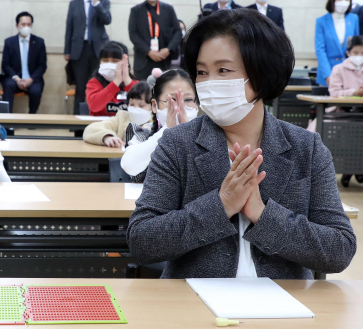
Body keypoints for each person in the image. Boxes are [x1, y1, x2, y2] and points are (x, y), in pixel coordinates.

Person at [128, 9, 356, 279]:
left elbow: (340, 248)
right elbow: (142, 240)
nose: (209, 83)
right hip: (192, 307)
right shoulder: (178, 144)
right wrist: (220, 205)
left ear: (260, 73)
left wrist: (263, 215)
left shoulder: (306, 148)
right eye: (202, 72)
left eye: (223, 70)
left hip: (285, 310)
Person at [121, 69, 199, 183]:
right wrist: (167, 131)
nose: (179, 107)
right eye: (172, 100)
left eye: (187, 100)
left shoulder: (208, 135)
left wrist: (188, 135)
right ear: (154, 105)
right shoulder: (144, 134)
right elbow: (129, 165)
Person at [64, 0, 112, 115]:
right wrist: (67, 50)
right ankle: (76, 123)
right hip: (79, 50)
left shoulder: (103, 2)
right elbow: (69, 26)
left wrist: (96, 4)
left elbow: (107, 20)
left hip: (98, 50)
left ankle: (98, 117)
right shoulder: (74, 3)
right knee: (80, 88)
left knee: (99, 85)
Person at [328, 35, 363, 187]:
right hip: (342, 112)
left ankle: (358, 168)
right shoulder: (339, 69)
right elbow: (334, 92)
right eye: (356, 52)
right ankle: (349, 170)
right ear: (348, 53)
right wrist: (354, 92)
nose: (359, 56)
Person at [1, 11, 47, 114]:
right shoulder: (9, 42)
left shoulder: (39, 42)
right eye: (23, 24)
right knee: (8, 85)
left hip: (32, 79)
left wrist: (31, 79)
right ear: (17, 25)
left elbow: (42, 66)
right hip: (15, 78)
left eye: (29, 24)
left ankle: (32, 117)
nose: (26, 27)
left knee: (36, 91)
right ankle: (7, 119)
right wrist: (17, 79)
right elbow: (5, 65)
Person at [83, 81, 152, 147]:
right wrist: (107, 137)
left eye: (141, 106)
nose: (135, 109)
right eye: (131, 104)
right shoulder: (122, 118)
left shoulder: (157, 123)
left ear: (153, 106)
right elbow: (91, 129)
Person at [128, 0, 182, 80]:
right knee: (143, 89)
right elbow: (133, 34)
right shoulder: (136, 10)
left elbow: (178, 32)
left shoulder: (168, 9)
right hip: (143, 60)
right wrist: (148, 52)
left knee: (163, 88)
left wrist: (168, 49)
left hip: (164, 58)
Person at [86, 42, 139, 116]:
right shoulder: (94, 83)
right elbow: (94, 106)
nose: (109, 64)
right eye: (105, 60)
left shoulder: (135, 84)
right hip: (100, 125)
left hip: (126, 126)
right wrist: (115, 83)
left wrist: (127, 80)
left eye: (115, 61)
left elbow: (144, 105)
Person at [316, 0, 360, 86]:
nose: (343, 2)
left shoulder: (353, 18)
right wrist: (328, 75)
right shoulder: (321, 21)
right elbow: (320, 49)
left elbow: (356, 46)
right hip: (329, 70)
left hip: (349, 72)